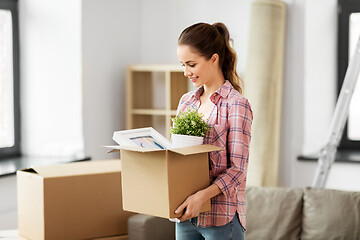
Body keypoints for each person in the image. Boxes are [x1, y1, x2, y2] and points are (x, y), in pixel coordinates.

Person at [174, 22, 253, 240]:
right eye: (182, 64)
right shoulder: (186, 102)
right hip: (186, 214)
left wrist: (202, 197)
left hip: (221, 218)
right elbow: (179, 157)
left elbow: (238, 170)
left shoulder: (236, 105)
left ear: (214, 59)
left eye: (191, 64)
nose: (185, 72)